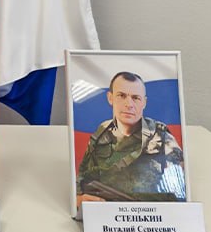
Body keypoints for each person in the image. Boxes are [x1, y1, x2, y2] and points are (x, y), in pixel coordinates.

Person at [76, 72, 185, 207]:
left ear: (144, 103)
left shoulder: (161, 137)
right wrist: (78, 199)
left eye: (136, 98)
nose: (129, 104)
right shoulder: (102, 133)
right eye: (121, 96)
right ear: (110, 98)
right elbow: (82, 178)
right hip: (106, 212)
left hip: (148, 214)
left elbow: (179, 191)